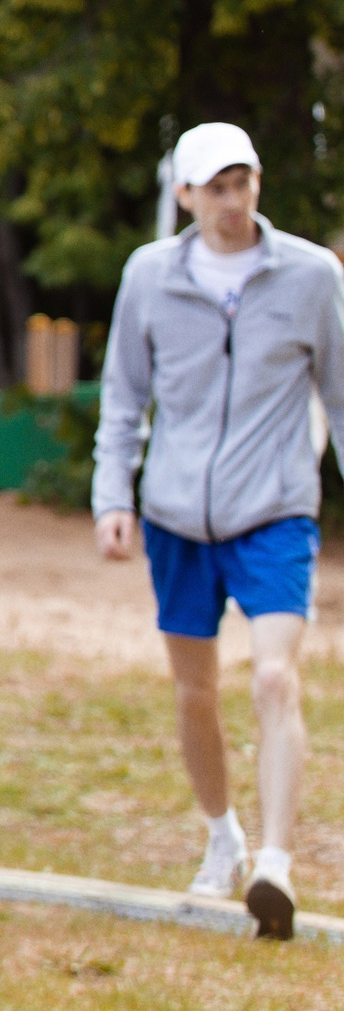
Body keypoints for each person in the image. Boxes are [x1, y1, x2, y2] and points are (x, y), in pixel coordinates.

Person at [93, 122, 344, 940]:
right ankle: (221, 833)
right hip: (173, 516)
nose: (233, 202)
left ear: (259, 185)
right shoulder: (150, 276)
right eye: (216, 188)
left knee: (275, 679)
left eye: (244, 183)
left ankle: (275, 861)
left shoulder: (311, 275)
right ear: (185, 195)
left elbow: (339, 396)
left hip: (275, 508)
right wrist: (113, 497)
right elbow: (125, 394)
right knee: (195, 691)